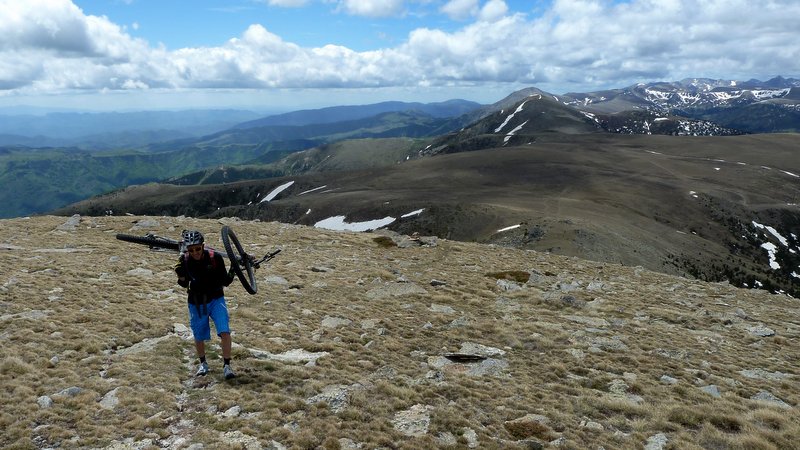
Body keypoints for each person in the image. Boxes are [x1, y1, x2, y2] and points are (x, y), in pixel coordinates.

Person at [174, 230, 237, 379]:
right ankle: (203, 363)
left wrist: (233, 269)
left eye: (197, 248)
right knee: (199, 334)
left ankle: (227, 365)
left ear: (203, 246)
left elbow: (225, 281)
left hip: (216, 299)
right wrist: (180, 274)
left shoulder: (215, 258)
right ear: (187, 250)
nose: (195, 252)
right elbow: (184, 284)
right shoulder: (184, 261)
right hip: (196, 301)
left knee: (224, 331)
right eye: (191, 250)